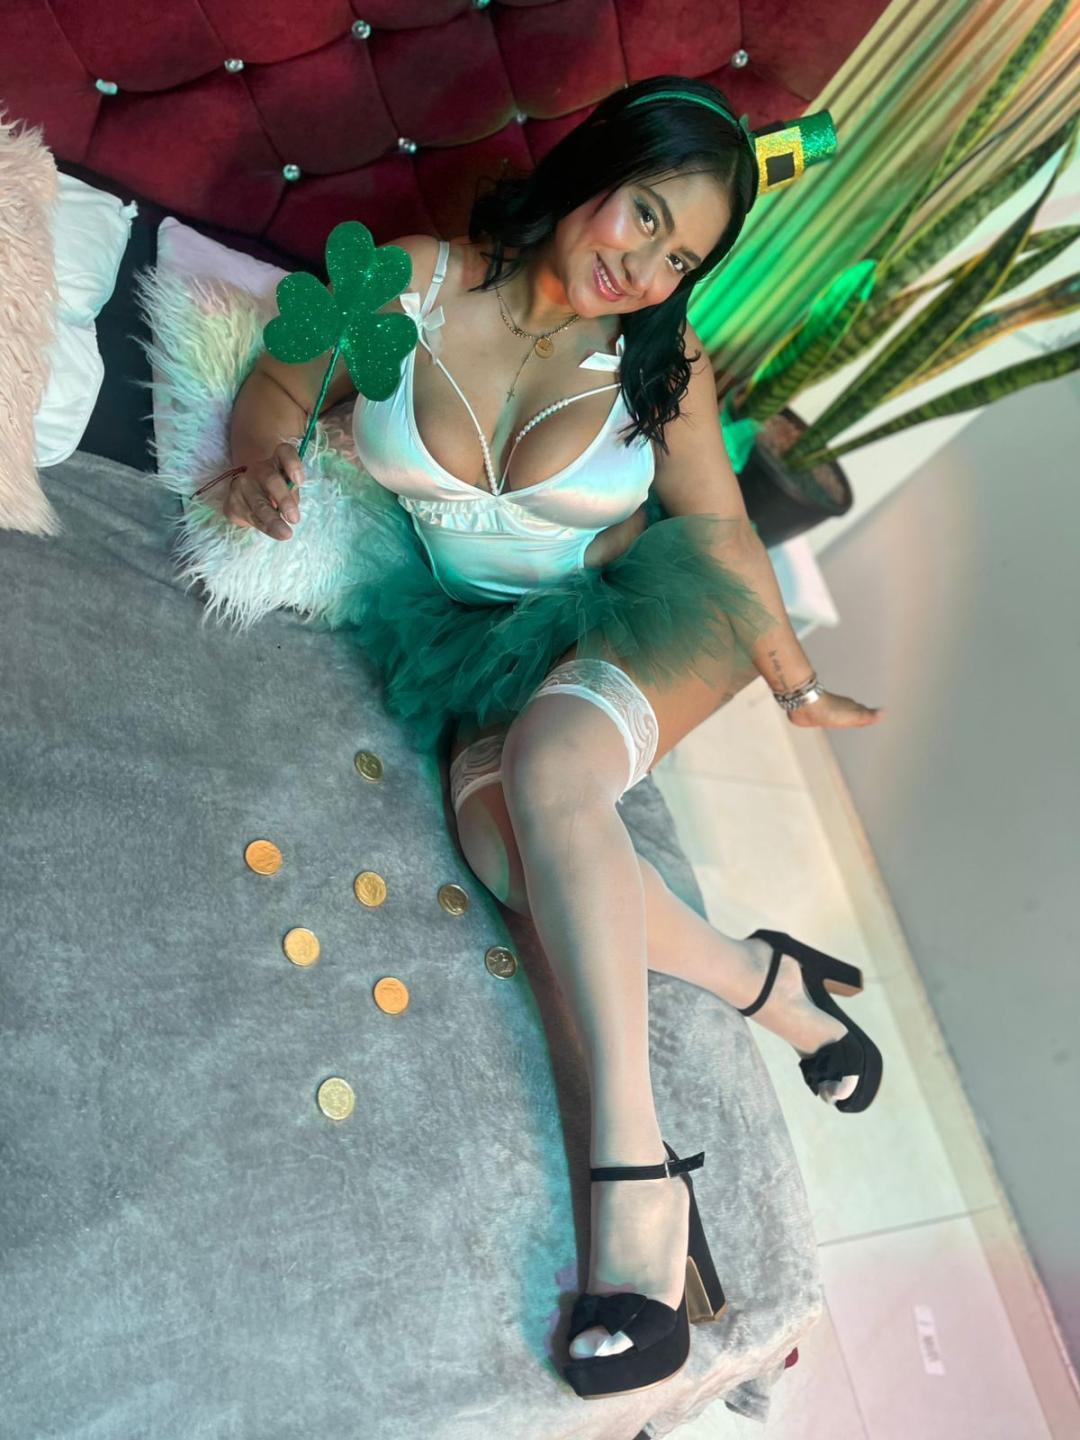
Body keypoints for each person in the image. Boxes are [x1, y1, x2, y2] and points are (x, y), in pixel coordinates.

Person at [224, 74, 886, 1399]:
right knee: (509, 856)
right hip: (478, 638)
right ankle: (770, 983)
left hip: (642, 619)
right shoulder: (406, 282)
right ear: (592, 169)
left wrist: (796, 680)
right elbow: (278, 384)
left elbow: (721, 533)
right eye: (642, 215)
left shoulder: (661, 370)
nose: (642, 267)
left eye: (679, 258)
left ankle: (633, 1187)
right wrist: (261, 460)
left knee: (554, 771)